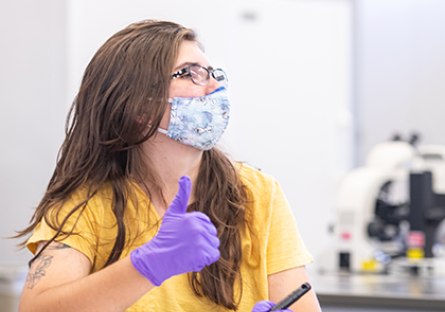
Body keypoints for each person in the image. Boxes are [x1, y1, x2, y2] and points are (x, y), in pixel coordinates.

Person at [16, 20, 322, 312]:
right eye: (189, 73)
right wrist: (148, 265)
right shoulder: (89, 203)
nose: (213, 86)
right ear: (138, 107)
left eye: (212, 72)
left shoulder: (256, 193)